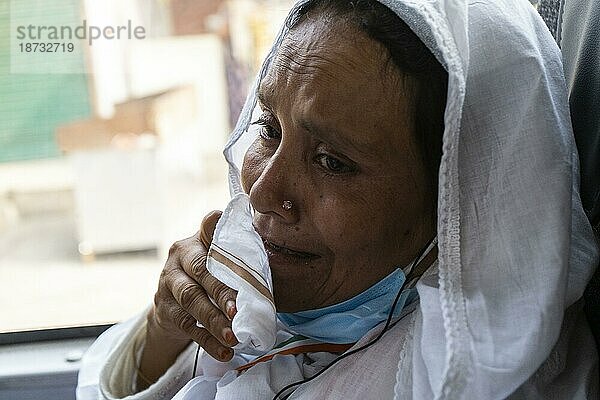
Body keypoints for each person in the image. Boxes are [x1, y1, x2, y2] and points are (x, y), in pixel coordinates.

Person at [76, 0, 600, 399]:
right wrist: (164, 328)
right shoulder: (261, 307)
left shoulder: (471, 378)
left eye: (332, 161)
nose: (262, 191)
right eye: (268, 129)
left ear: (458, 203)